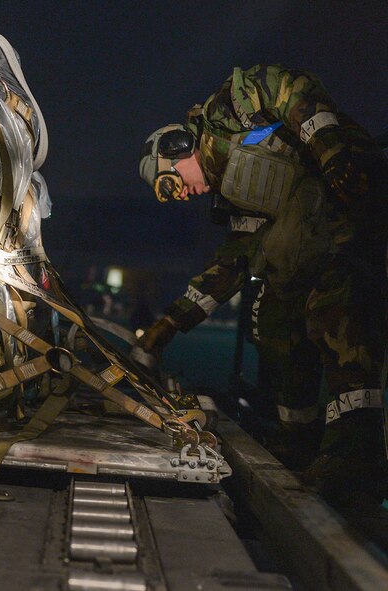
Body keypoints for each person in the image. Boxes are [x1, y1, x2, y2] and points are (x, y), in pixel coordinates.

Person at [135, 64, 387, 504]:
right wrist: (167, 328)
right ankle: (300, 440)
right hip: (310, 236)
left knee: (333, 312)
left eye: (171, 183)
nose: (182, 195)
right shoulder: (234, 196)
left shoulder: (226, 112)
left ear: (178, 148)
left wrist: (332, 155)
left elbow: (292, 90)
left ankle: (354, 454)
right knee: (273, 324)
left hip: (351, 203)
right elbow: (230, 265)